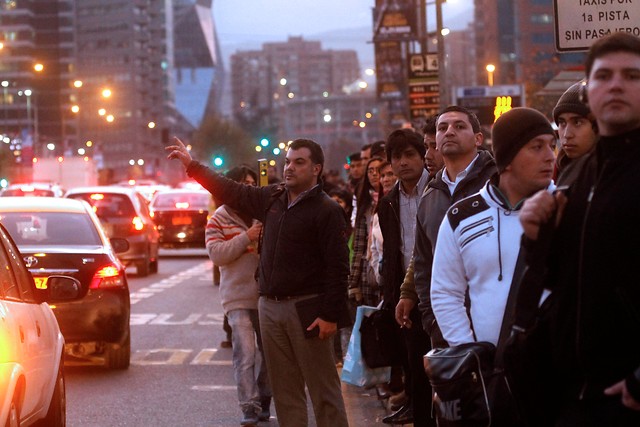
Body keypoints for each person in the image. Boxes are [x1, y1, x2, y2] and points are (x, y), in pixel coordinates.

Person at [167, 137, 350, 427]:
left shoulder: (327, 210)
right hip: (269, 308)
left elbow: (338, 269)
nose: (289, 168)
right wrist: (193, 166)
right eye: (287, 161)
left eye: (298, 162)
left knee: (323, 390)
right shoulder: (273, 198)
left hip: (308, 311)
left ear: (316, 169)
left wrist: (329, 315)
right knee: (285, 391)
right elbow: (231, 190)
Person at [519, 32, 640, 426]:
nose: (617, 84)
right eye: (604, 75)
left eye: (632, 75)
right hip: (573, 394)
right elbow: (560, 280)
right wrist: (537, 235)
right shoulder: (577, 176)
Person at [430, 108, 556, 425]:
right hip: (491, 378)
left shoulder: (568, 206)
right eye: (536, 147)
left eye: (551, 145)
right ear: (508, 157)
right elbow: (445, 291)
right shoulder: (462, 215)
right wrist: (471, 356)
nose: (550, 156)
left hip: (555, 370)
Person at [394, 106, 496, 349]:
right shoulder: (431, 196)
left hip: (495, 322)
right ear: (436, 142)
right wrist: (431, 319)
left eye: (459, 126)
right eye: (443, 128)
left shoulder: (497, 182)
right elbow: (423, 261)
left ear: (478, 139)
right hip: (446, 327)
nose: (449, 132)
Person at [205, 165, 272, 426]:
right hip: (237, 298)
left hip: (267, 296)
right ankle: (248, 406)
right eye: (243, 183)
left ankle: (265, 396)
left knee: (269, 354)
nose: (249, 188)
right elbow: (217, 254)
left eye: (252, 183)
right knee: (244, 352)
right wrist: (246, 237)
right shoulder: (218, 220)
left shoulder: (265, 215)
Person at [377, 129, 434, 426]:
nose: (403, 163)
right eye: (396, 157)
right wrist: (394, 295)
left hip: (440, 287)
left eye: (410, 155)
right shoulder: (387, 202)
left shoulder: (437, 189)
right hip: (408, 293)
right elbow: (392, 250)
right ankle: (419, 413)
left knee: (440, 362)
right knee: (414, 358)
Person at [552, 80, 598, 184]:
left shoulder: (623, 175)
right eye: (562, 123)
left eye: (577, 122)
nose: (567, 134)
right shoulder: (549, 176)